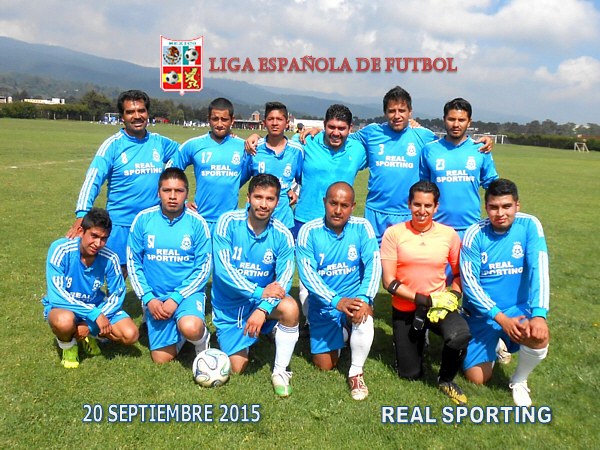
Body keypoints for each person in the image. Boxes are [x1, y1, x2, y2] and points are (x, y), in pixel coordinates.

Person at [67, 90, 180, 273]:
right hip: (120, 225)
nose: (137, 116)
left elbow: (187, 153)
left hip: (152, 223)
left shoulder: (159, 142)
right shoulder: (113, 145)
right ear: (122, 117)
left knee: (156, 275)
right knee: (118, 275)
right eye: (130, 112)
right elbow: (93, 179)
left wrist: (176, 194)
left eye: (141, 110)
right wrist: (82, 213)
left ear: (147, 113)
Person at [460, 178, 550, 407]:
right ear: (486, 207)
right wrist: (500, 319)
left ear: (517, 205)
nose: (500, 213)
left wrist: (539, 314)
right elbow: (470, 284)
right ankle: (496, 343)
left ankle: (519, 381)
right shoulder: (474, 234)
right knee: (477, 379)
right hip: (481, 315)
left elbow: (539, 269)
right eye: (494, 207)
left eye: (506, 206)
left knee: (538, 334)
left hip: (516, 309)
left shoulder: (529, 225)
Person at [380, 181, 471, 405]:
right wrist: (424, 299)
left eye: (428, 205)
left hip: (438, 308)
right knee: (409, 374)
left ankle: (446, 379)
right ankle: (414, 342)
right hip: (406, 309)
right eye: (417, 204)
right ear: (409, 204)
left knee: (460, 335)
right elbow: (388, 282)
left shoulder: (448, 235)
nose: (422, 211)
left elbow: (458, 275)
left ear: (436, 206)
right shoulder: (393, 234)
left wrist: (454, 295)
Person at [211, 174, 299, 397]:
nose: (263, 204)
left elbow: (285, 278)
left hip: (260, 303)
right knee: (238, 367)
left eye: (270, 199)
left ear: (277, 202)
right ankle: (255, 332)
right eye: (258, 197)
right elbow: (223, 271)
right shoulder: (227, 223)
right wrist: (258, 292)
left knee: (290, 308)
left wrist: (263, 308)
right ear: (248, 197)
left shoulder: (283, 234)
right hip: (229, 307)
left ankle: (280, 371)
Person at [296, 182, 381, 400]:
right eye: (333, 203)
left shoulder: (362, 227)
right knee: (325, 365)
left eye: (344, 205)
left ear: (353, 207)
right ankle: (344, 332)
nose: (338, 210)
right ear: (324, 202)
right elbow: (307, 274)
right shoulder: (309, 231)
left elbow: (373, 264)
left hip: (353, 299)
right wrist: (335, 301)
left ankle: (356, 372)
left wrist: (364, 298)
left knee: (363, 313)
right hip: (324, 306)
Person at [127, 168, 212, 363]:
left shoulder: (197, 223)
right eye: (167, 190)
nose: (172, 196)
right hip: (156, 297)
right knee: (161, 358)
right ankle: (177, 329)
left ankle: (201, 341)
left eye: (179, 191)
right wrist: (148, 298)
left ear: (187, 194)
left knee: (191, 327)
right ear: (159, 192)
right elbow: (133, 262)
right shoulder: (143, 219)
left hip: (186, 294)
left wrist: (176, 298)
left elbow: (203, 268)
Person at [43, 207, 139, 369]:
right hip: (65, 308)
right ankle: (68, 346)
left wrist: (90, 324)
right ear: (81, 231)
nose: (98, 244)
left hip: (95, 307)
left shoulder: (110, 258)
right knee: (64, 322)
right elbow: (56, 295)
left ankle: (91, 335)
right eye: (94, 236)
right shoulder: (60, 249)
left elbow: (117, 295)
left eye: (104, 239)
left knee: (131, 334)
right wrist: (94, 315)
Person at [169, 97, 249, 234]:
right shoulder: (193, 145)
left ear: (232, 120)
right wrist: (182, 202)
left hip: (230, 223)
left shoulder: (243, 146)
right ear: (208, 119)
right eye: (215, 119)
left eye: (224, 119)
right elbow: (169, 174)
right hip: (200, 220)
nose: (219, 124)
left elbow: (254, 173)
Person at [419, 98, 498, 236]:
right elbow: (421, 189)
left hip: (471, 229)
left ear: (469, 121)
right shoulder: (429, 150)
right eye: (451, 119)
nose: (456, 124)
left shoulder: (481, 149)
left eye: (461, 120)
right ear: (444, 119)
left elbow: (493, 187)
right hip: (437, 228)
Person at [246, 102, 304, 230]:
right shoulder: (254, 148)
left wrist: (292, 191)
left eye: (279, 119)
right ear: (264, 122)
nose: (275, 123)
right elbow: (238, 180)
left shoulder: (296, 151)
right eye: (271, 119)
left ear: (287, 123)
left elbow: (302, 180)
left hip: (284, 221)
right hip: (256, 219)